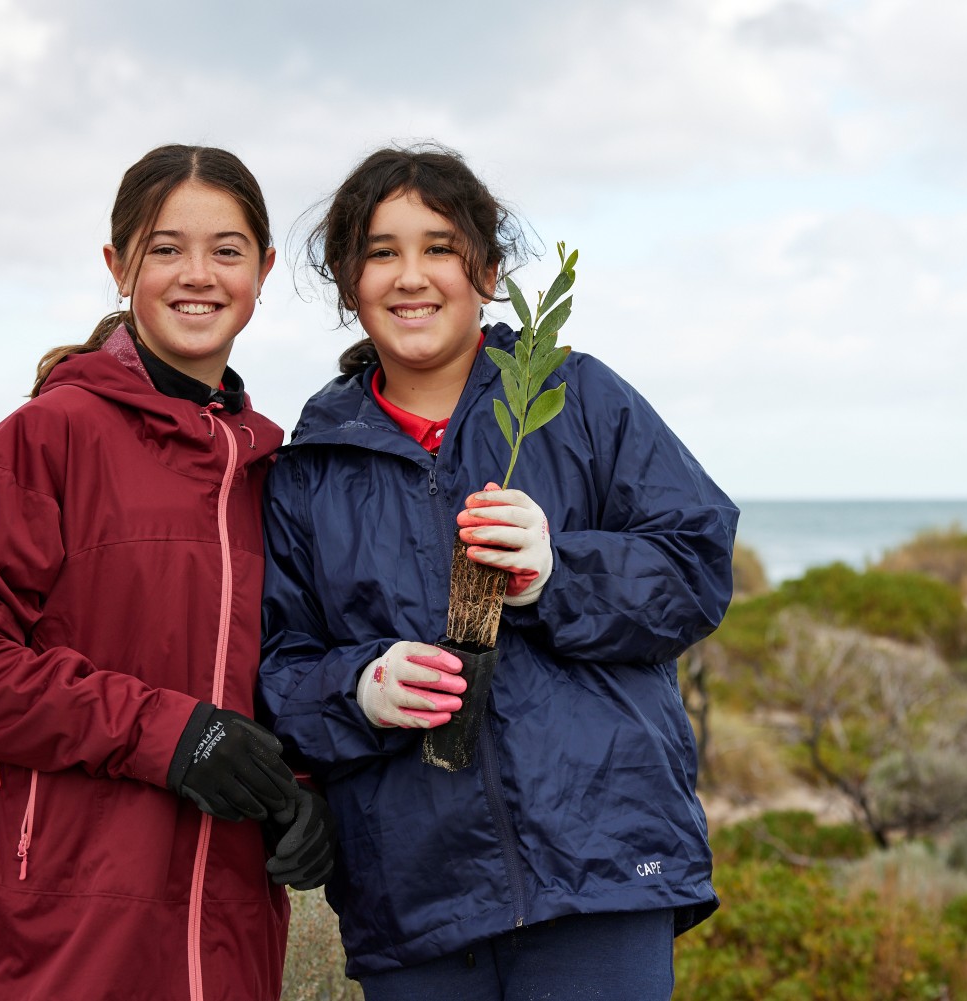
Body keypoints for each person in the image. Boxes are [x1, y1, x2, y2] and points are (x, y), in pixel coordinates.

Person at [259, 143, 738, 1000]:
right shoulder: (307, 471)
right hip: (415, 900)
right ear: (347, 281)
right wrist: (360, 688)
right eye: (380, 251)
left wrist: (562, 571)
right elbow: (276, 670)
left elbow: (697, 563)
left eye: (439, 247)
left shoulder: (579, 397)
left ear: (485, 268)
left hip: (598, 873)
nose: (412, 276)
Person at [0, 144, 334, 1001]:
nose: (197, 275)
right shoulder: (44, 440)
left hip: (224, 939)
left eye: (228, 250)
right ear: (118, 264)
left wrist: (301, 792)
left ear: (265, 269)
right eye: (166, 248)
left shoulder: (274, 472)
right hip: (49, 945)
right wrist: (169, 736)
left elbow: (278, 671)